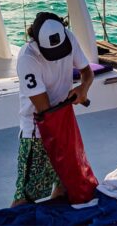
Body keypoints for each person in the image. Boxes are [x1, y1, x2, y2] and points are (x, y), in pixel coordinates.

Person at [12, 12, 93, 207]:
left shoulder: (68, 37)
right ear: (36, 42)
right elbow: (44, 108)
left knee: (65, 185)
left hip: (64, 123)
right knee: (24, 198)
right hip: (38, 132)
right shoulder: (27, 58)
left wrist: (83, 88)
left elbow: (86, 71)